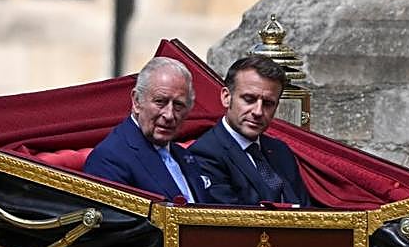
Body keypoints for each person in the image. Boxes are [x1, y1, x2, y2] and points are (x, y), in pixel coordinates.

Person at [189, 55, 311, 206]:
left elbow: (305, 209)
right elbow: (229, 219)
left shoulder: (281, 151)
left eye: (268, 103)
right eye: (249, 99)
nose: (258, 112)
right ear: (226, 97)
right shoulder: (206, 154)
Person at [83, 57, 208, 202]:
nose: (169, 115)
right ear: (137, 101)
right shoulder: (109, 159)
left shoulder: (184, 156)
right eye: (160, 102)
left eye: (178, 105)